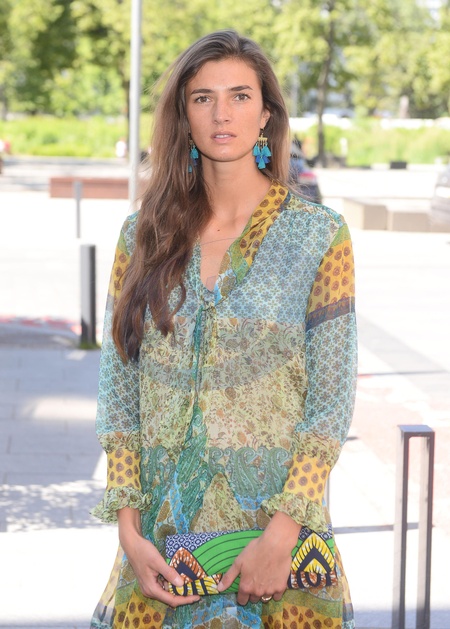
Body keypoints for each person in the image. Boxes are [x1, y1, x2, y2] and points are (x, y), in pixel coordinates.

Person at [91, 29, 357, 629]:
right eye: (202, 98)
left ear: (265, 115)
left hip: (277, 548)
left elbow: (330, 403)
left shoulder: (319, 235)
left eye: (240, 96)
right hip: (159, 548)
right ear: (183, 117)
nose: (221, 114)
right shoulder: (142, 237)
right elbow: (118, 390)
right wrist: (129, 529)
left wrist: (281, 535)